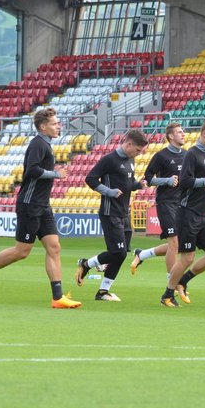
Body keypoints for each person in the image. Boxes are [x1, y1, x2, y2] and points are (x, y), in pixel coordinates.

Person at [0, 108, 81, 308]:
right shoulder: (38, 144)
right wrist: (55, 174)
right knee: (22, 251)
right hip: (29, 204)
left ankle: (57, 298)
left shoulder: (46, 145)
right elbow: (31, 171)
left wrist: (52, 173)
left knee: (54, 247)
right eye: (54, 123)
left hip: (42, 204)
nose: (59, 126)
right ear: (43, 126)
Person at [76, 129, 149, 301]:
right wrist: (108, 191)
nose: (139, 154)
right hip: (110, 213)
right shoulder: (109, 159)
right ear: (129, 144)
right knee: (119, 253)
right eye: (138, 150)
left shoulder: (130, 160)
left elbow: (128, 184)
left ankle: (103, 292)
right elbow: (90, 178)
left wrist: (138, 185)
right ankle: (86, 264)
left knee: (121, 253)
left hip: (124, 212)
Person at [160, 119, 205, 308]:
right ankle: (167, 294)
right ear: (204, 134)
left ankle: (184, 280)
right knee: (187, 257)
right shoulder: (192, 155)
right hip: (188, 213)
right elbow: (185, 181)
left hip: (203, 214)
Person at [131, 123, 184, 276]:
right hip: (166, 202)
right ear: (171, 136)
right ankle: (171, 283)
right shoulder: (161, 156)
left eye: (183, 132)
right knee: (174, 242)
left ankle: (142, 255)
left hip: (182, 204)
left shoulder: (187, 155)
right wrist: (166, 181)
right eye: (180, 132)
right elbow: (147, 179)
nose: (183, 134)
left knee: (178, 245)